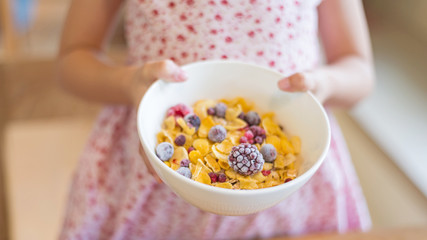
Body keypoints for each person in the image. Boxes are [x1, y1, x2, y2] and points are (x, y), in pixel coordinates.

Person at [58, 0, 374, 239]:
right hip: (150, 181)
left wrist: (322, 84)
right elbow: (72, 60)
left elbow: (359, 70)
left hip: (291, 187)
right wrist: (129, 83)